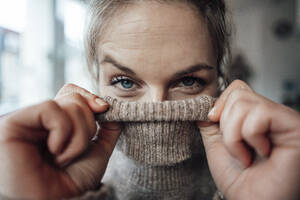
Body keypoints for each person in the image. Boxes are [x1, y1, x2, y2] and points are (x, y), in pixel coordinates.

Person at [0, 0, 300, 199]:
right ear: (96, 84)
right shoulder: (55, 171)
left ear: (220, 82)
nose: (157, 108)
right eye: (125, 81)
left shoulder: (271, 172)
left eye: (188, 81)